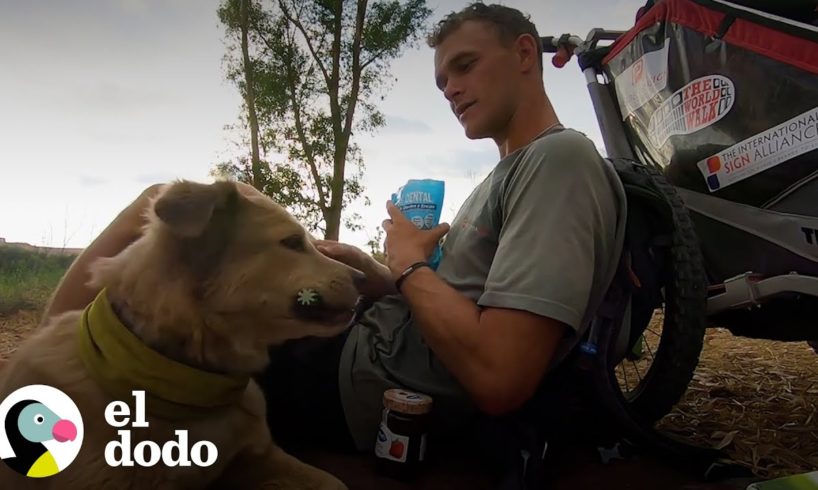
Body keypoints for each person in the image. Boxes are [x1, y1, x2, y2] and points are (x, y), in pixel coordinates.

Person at [44, 2, 626, 458]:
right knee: (210, 254)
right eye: (442, 77)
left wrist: (409, 264)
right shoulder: (509, 175)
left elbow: (500, 374)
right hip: (361, 341)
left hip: (356, 375)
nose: (449, 87)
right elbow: (459, 309)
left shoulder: (560, 161)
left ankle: (49, 351)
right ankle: (60, 352)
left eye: (465, 65)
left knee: (165, 211)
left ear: (526, 53)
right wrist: (377, 274)